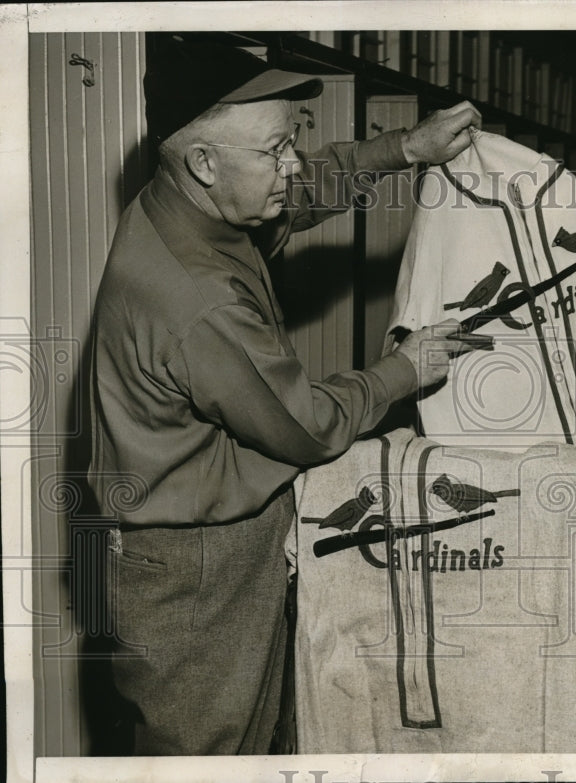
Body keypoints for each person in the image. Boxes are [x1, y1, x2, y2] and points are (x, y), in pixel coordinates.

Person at [88, 38, 482, 755]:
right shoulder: (196, 299)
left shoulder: (190, 200)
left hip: (209, 542)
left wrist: (408, 147)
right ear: (205, 163)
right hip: (196, 569)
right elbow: (307, 425)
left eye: (290, 141)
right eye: (274, 151)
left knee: (256, 734)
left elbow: (298, 194)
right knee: (209, 754)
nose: (292, 164)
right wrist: (404, 366)